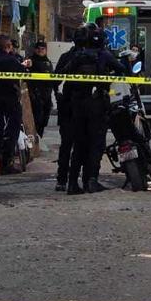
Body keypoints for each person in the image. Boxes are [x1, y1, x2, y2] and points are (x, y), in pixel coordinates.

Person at [64, 24, 127, 194]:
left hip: (78, 106)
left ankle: (72, 184)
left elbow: (64, 73)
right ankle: (91, 181)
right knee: (96, 144)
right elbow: (123, 69)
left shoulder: (78, 56)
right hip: (97, 105)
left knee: (79, 145)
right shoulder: (104, 55)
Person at [0, 34, 29, 174]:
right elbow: (23, 73)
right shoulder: (10, 60)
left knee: (0, 129)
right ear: (8, 46)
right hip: (11, 98)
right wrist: (24, 66)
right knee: (12, 130)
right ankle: (7, 162)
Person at [53, 28, 85, 191]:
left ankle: (62, 180)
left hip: (68, 105)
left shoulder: (66, 57)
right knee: (81, 145)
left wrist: (58, 96)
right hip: (82, 107)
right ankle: (80, 180)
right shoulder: (88, 57)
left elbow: (55, 80)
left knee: (67, 145)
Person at [27, 40, 54, 137]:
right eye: (38, 49)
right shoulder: (30, 61)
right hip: (36, 95)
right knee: (37, 119)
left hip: (47, 95)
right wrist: (31, 93)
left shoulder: (48, 62)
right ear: (35, 50)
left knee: (44, 120)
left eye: (43, 49)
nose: (40, 51)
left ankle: (39, 136)